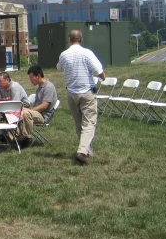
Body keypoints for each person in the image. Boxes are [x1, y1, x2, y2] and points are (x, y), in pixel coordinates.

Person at [57, 30, 105, 165]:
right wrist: (103, 77)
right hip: (86, 92)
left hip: (71, 93)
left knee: (79, 123)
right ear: (81, 40)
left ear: (69, 40)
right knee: (89, 122)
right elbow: (98, 71)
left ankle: (87, 151)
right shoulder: (87, 53)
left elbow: (59, 68)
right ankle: (82, 152)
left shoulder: (64, 54)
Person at [15, 65, 59, 147]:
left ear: (38, 76)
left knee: (26, 113)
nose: (30, 80)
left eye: (31, 77)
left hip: (43, 116)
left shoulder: (48, 87)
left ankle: (26, 138)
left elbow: (44, 106)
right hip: (37, 113)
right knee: (18, 111)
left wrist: (30, 110)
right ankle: (15, 136)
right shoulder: (39, 87)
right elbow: (36, 103)